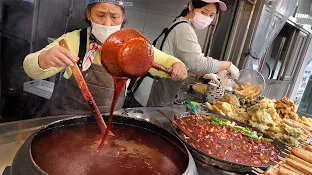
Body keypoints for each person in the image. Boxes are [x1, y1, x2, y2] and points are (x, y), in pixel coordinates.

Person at [23, 0, 188, 116]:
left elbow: (166, 62)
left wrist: (177, 64)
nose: (107, 24)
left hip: (106, 125)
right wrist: (42, 60)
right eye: (100, 15)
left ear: (123, 18)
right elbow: (31, 68)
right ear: (89, 14)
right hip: (65, 119)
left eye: (114, 17)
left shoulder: (132, 46)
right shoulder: (74, 41)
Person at [131, 0, 239, 107]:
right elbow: (199, 64)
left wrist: (205, 74)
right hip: (152, 91)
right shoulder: (184, 28)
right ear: (191, 6)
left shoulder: (181, 23)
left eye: (211, 15)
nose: (207, 18)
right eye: (203, 12)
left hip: (154, 88)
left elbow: (187, 60)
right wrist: (228, 65)